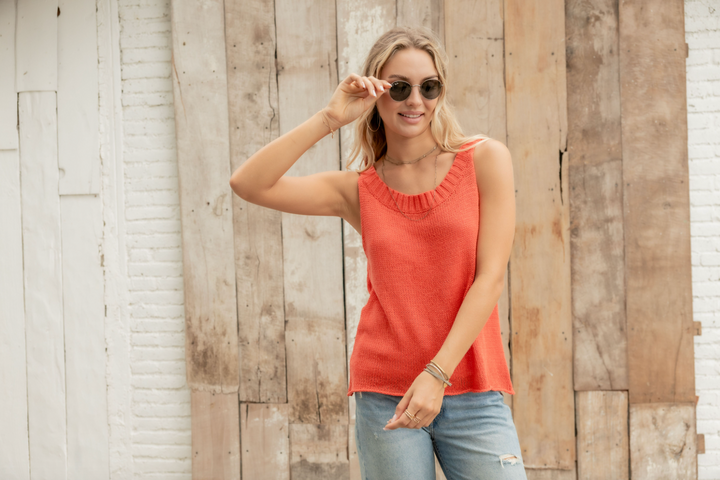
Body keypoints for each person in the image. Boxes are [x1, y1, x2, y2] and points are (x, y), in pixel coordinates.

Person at [230, 25, 526, 480]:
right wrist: (329, 118)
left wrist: (436, 374)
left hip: (470, 388)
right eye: (399, 87)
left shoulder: (484, 159)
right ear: (376, 93)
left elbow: (489, 279)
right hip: (386, 392)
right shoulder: (358, 190)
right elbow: (248, 184)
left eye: (429, 87)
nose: (415, 101)